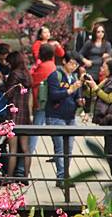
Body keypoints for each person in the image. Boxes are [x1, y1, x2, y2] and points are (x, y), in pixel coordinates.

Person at [45, 51, 85, 188]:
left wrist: (80, 101)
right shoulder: (55, 75)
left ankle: (65, 176)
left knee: (69, 149)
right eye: (71, 63)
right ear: (64, 61)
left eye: (76, 64)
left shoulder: (74, 77)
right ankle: (62, 177)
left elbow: (76, 96)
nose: (74, 66)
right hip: (55, 116)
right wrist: (70, 90)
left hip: (71, 117)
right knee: (60, 149)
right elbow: (53, 95)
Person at [3, 51, 33, 184]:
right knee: (26, 148)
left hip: (14, 115)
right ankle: (25, 177)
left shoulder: (14, 74)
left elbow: (8, 94)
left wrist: (2, 81)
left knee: (13, 149)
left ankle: (9, 177)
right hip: (25, 114)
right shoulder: (27, 74)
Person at [29, 43, 57, 155]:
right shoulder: (53, 65)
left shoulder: (44, 66)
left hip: (42, 103)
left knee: (35, 130)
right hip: (52, 103)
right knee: (55, 132)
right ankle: (57, 154)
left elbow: (32, 81)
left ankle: (27, 155)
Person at [85, 58, 112, 175]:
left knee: (110, 151)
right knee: (108, 150)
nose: (101, 69)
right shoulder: (107, 80)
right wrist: (89, 84)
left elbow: (109, 98)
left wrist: (95, 88)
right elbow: (92, 91)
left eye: (104, 67)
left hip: (110, 118)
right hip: (107, 120)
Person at [79, 24, 112, 111]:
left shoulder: (107, 44)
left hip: (102, 72)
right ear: (94, 33)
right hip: (90, 70)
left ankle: (99, 111)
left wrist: (104, 57)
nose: (100, 33)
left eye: (102, 32)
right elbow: (80, 53)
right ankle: (86, 111)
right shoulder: (89, 43)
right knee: (89, 92)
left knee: (101, 92)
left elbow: (109, 56)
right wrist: (85, 60)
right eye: (98, 32)